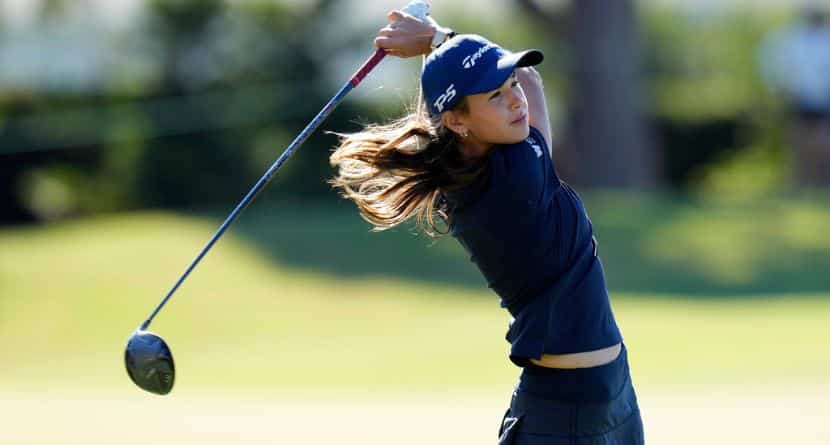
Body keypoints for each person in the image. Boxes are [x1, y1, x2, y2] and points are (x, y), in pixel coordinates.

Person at [329, 10, 645, 444]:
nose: (516, 100)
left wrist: (441, 46)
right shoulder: (510, 182)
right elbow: (532, 82)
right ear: (458, 121)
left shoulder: (495, 159)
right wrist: (437, 39)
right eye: (495, 96)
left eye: (508, 86)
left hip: (611, 393)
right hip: (565, 412)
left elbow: (526, 80)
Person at [759, 4, 830, 187]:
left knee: (822, 141)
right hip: (800, 98)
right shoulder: (791, 38)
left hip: (822, 99)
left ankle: (821, 180)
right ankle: (802, 181)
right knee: (799, 141)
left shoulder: (825, 38)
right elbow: (772, 62)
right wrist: (782, 88)